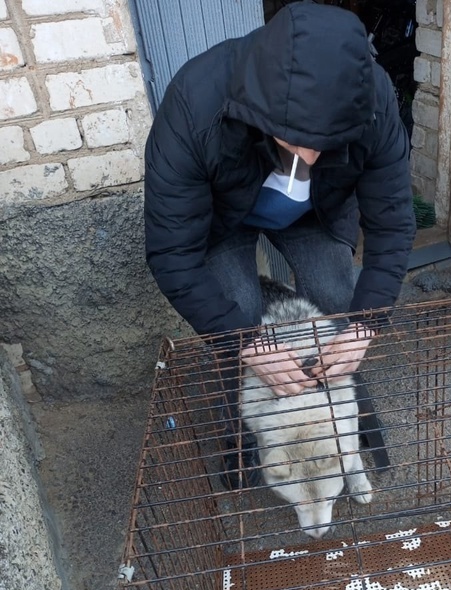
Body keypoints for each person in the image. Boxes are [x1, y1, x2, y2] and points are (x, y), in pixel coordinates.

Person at [144, 1, 415, 487]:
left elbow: (392, 222)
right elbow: (171, 253)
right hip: (223, 217)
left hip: (315, 210)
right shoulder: (194, 102)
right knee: (239, 313)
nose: (310, 154)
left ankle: (347, 420)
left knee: (339, 297)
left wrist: (367, 324)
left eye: (325, 141)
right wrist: (249, 344)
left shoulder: (374, 99)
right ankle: (243, 439)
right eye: (296, 140)